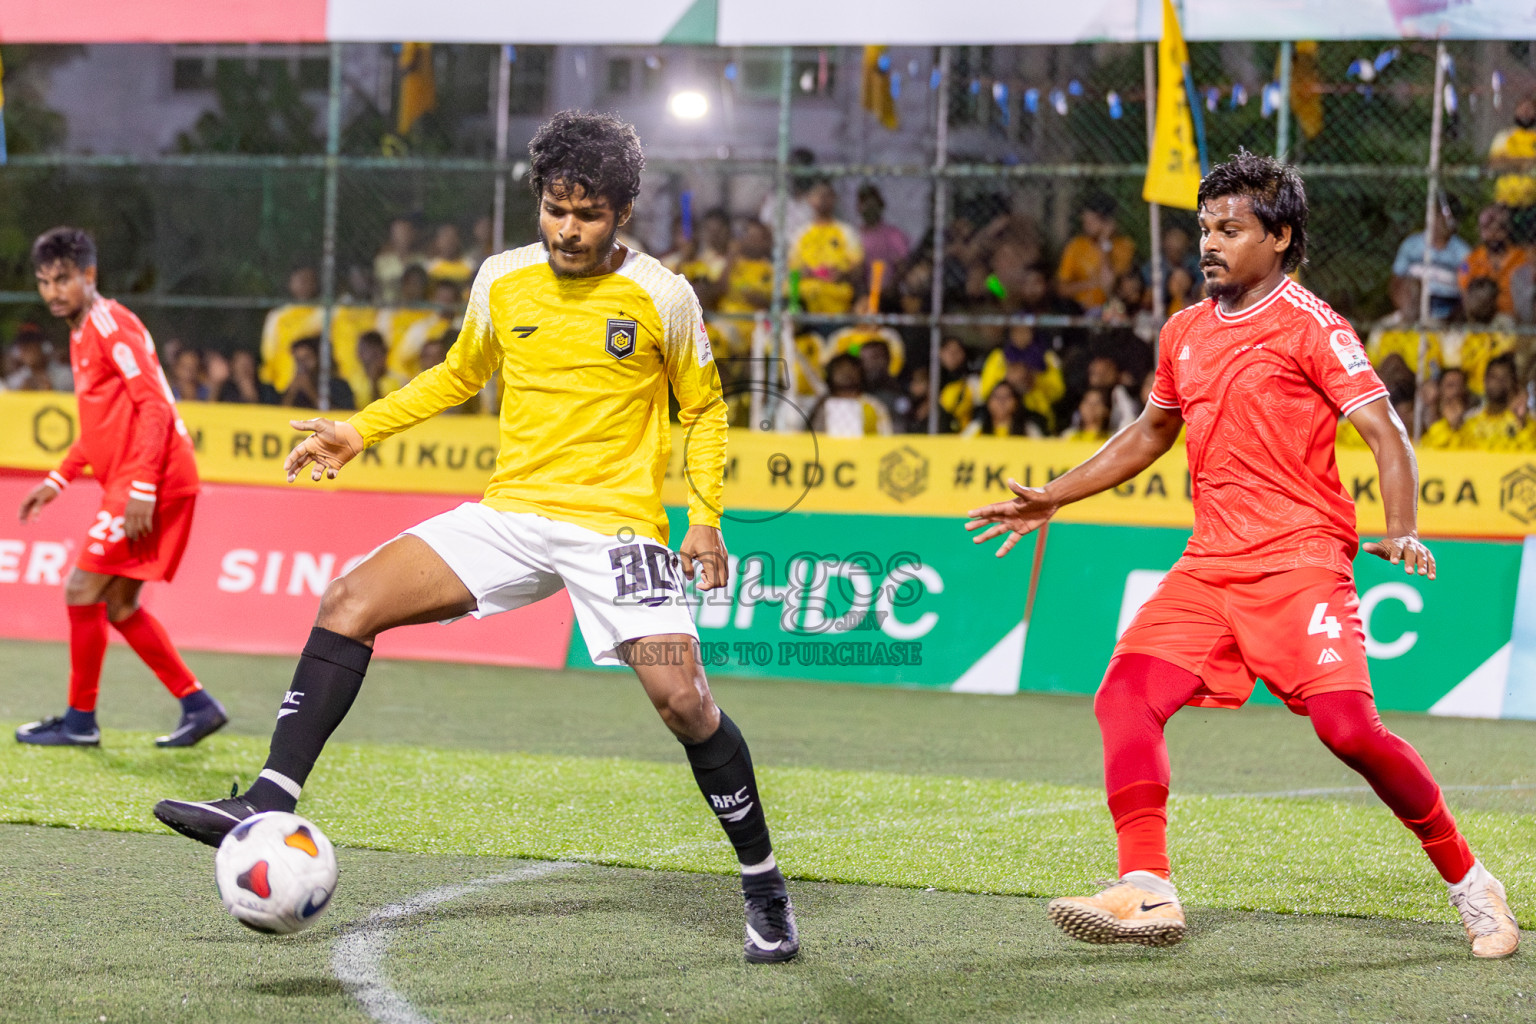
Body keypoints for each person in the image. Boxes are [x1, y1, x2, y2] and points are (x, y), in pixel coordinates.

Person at [153, 111, 799, 965]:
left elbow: (705, 409)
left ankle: (763, 883)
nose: (568, 229)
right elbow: (459, 372)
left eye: (589, 213)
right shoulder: (503, 279)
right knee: (349, 597)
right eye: (556, 209)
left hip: (617, 530)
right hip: (511, 514)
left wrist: (706, 519)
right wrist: (360, 431)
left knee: (685, 705)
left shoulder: (663, 297)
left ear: (624, 212)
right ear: (539, 201)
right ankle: (267, 799)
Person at [966, 152, 1519, 959]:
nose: (1209, 244)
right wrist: (1055, 494)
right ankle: (1147, 887)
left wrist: (1400, 525)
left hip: (1301, 561)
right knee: (1124, 695)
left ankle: (1473, 883)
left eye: (1230, 229)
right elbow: (1154, 431)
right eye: (1204, 229)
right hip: (1210, 563)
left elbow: (1385, 431)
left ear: (1280, 236)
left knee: (1349, 732)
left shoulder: (1314, 325)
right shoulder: (1185, 330)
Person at [16, 227, 227, 749]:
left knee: (80, 589)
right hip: (144, 479)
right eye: (44, 282)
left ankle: (79, 722)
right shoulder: (81, 329)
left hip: (152, 480)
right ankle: (198, 705)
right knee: (118, 605)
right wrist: (57, 480)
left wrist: (142, 489)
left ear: (89, 276)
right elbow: (100, 429)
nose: (52, 292)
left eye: (63, 279)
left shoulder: (112, 325)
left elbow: (156, 404)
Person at [789, 181, 864, 315]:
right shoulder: (800, 234)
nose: (823, 199)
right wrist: (804, 272)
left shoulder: (846, 232)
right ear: (809, 199)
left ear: (834, 199)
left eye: (827, 195)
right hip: (804, 306)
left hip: (837, 304)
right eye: (818, 195)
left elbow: (859, 268)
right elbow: (792, 269)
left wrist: (843, 273)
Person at [1392, 194, 1470, 322]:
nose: (1443, 221)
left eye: (1451, 217)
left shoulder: (1463, 252)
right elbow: (1396, 282)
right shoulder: (1411, 245)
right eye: (1438, 214)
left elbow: (1466, 291)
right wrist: (1405, 309)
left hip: (1445, 314)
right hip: (1411, 310)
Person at [1056, 192, 1137, 312]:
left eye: (1092, 221)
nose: (1086, 224)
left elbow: (1109, 285)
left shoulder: (1124, 246)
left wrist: (1105, 243)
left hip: (1112, 308)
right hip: (1080, 309)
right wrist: (1090, 284)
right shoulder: (1076, 246)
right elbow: (1062, 288)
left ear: (1107, 221)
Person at [1458, 205, 1532, 319]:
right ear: (1480, 231)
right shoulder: (1469, 261)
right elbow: (1464, 291)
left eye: (1499, 229)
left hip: (1514, 320)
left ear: (1508, 230)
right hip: (1480, 318)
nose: (1493, 234)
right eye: (1487, 229)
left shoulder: (1522, 257)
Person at [260, 266, 323, 392]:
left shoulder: (323, 314)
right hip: (281, 384)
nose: (304, 285)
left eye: (308, 280)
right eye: (300, 280)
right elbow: (268, 352)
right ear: (291, 284)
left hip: (315, 386)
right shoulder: (278, 316)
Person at [1459, 354, 1534, 451]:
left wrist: (1521, 423)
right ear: (1485, 380)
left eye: (1504, 377)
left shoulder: (1526, 422)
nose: (1498, 382)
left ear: (1513, 383)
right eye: (1493, 376)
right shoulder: (1469, 421)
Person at [807, 353, 892, 437]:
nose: (846, 373)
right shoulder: (822, 406)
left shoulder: (873, 406)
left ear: (860, 373)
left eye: (851, 369)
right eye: (840, 369)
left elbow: (885, 438)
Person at [1489, 96, 1536, 244]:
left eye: (1530, 109)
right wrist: (1526, 162)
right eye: (1522, 108)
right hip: (1505, 202)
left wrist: (1512, 162)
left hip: (1531, 204)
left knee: (1529, 245)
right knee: (1507, 242)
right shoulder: (1505, 136)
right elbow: (1495, 163)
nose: (1525, 112)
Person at [855, 183, 911, 302]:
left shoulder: (894, 234)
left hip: (889, 296)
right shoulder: (854, 236)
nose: (869, 207)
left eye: (872, 203)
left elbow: (903, 266)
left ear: (881, 205)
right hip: (861, 296)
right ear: (858, 207)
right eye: (864, 203)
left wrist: (890, 288)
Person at [281, 336, 356, 412]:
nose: (302, 365)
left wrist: (310, 390)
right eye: (297, 360)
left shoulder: (338, 385)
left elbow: (343, 416)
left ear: (319, 358)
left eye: (306, 358)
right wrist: (291, 392)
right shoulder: (293, 386)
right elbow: (283, 413)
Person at [962, 381, 1046, 438]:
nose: (1001, 402)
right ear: (989, 403)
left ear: (1016, 402)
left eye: (1007, 397)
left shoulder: (1029, 429)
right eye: (997, 397)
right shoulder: (976, 427)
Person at [5, 322, 74, 391]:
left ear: (44, 348)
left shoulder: (65, 375)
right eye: (23, 345)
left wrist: (51, 388)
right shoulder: (15, 380)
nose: (26, 350)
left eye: (31, 344)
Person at [348, 330, 409, 407]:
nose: (361, 355)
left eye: (374, 354)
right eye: (361, 351)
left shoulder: (399, 381)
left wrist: (374, 382)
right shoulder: (352, 381)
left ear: (383, 353)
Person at [374, 216, 422, 304]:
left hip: (413, 308)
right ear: (392, 236)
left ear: (412, 234)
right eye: (398, 232)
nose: (402, 236)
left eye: (405, 231)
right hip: (387, 306)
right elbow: (377, 287)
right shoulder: (381, 262)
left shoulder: (421, 261)